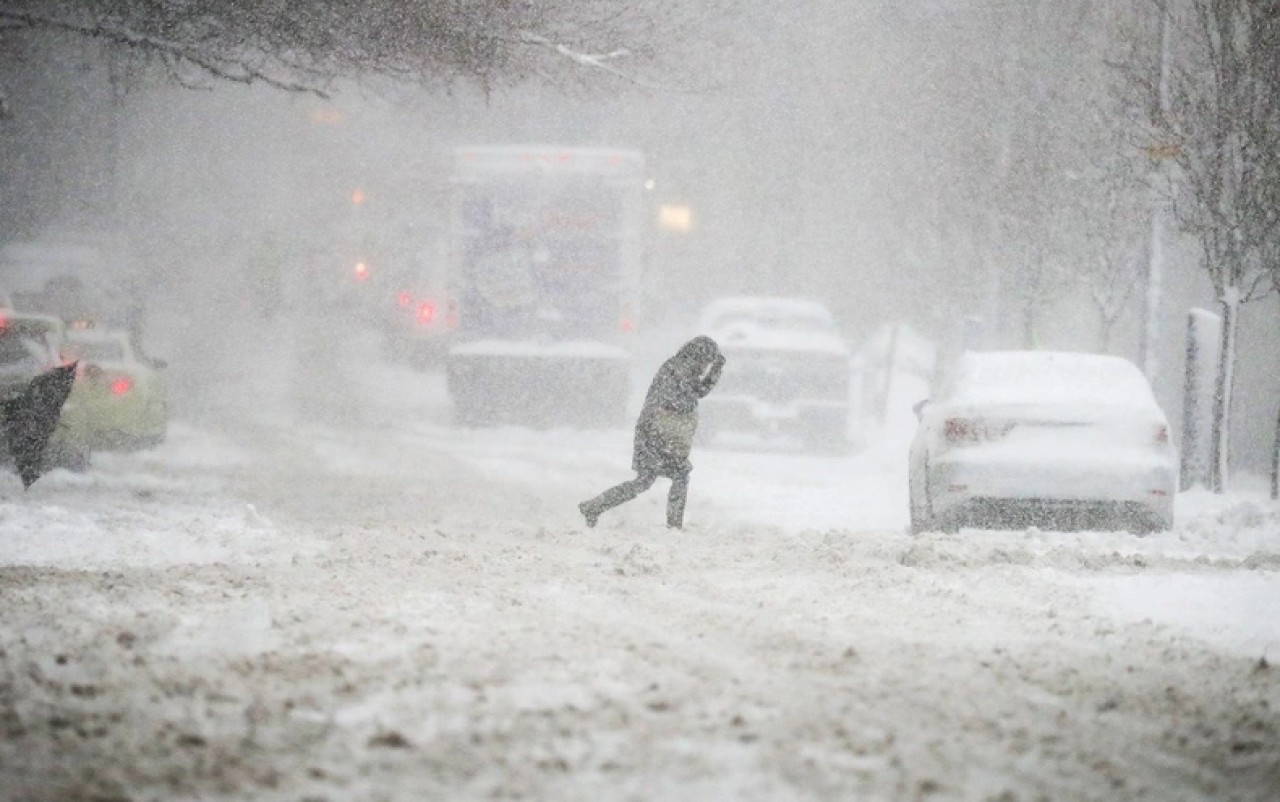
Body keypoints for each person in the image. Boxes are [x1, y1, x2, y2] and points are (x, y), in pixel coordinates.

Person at [579, 335, 726, 530]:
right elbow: (686, 397)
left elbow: (698, 392)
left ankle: (594, 507)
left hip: (664, 435)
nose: (705, 366)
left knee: (664, 477)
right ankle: (595, 507)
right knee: (654, 479)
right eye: (707, 362)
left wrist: (716, 371)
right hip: (655, 434)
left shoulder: (681, 368)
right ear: (698, 357)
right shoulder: (676, 369)